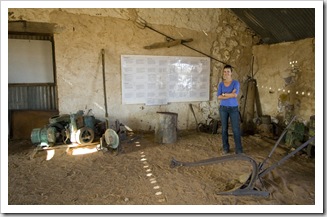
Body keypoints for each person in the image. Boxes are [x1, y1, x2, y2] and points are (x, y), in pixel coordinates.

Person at [217, 64, 243, 155]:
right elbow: (219, 97)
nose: (226, 73)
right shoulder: (221, 84)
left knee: (236, 129)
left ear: (231, 73)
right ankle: (225, 148)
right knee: (224, 129)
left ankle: (239, 149)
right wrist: (229, 94)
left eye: (228, 71)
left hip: (233, 109)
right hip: (223, 108)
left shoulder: (235, 83)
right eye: (225, 71)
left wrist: (224, 94)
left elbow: (235, 95)